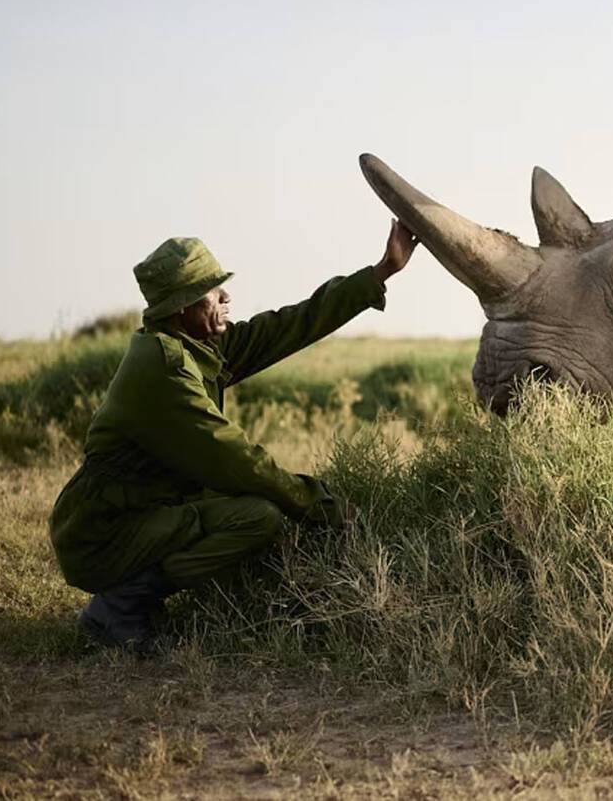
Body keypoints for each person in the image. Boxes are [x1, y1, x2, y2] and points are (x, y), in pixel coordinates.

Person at [48, 220, 420, 650]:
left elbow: (290, 325)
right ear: (182, 306)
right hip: (102, 535)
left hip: (143, 513)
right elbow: (238, 460)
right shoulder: (165, 371)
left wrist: (381, 272)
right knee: (256, 517)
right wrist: (319, 505)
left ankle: (154, 599)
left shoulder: (191, 344)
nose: (226, 298)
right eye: (212, 291)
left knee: (247, 510)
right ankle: (118, 605)